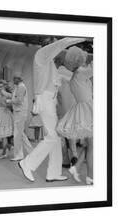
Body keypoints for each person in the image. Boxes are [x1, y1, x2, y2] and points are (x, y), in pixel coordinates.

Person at [18, 37, 86, 182]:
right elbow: (62, 43)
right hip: (45, 100)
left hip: (50, 100)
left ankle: (53, 173)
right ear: (49, 45)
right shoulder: (41, 55)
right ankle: (27, 163)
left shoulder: (49, 62)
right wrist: (81, 37)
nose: (58, 50)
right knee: (52, 137)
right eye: (54, 44)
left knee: (55, 138)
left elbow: (62, 78)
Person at [56, 46, 93, 184]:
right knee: (92, 145)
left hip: (82, 109)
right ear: (80, 59)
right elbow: (96, 66)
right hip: (88, 109)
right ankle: (90, 177)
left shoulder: (74, 77)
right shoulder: (81, 73)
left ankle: (77, 169)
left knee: (90, 145)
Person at [6, 74, 33, 161]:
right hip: (19, 112)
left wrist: (8, 101)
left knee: (17, 134)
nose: (13, 80)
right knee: (21, 134)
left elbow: (18, 100)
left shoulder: (21, 87)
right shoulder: (18, 87)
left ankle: (19, 155)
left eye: (14, 78)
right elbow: (14, 96)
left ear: (19, 79)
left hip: (20, 113)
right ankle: (31, 152)